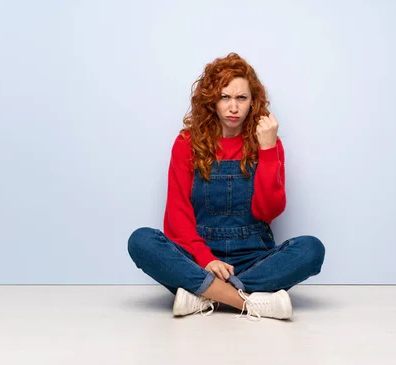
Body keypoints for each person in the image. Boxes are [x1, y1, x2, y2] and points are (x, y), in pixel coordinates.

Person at [127, 53, 325, 321]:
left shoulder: (268, 143)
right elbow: (177, 216)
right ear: (212, 101)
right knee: (141, 241)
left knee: (312, 249)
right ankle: (247, 301)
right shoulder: (187, 143)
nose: (233, 107)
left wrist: (267, 150)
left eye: (241, 98)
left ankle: (202, 295)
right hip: (199, 258)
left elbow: (269, 211)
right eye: (225, 97)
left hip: (253, 258)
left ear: (253, 102)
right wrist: (206, 259)